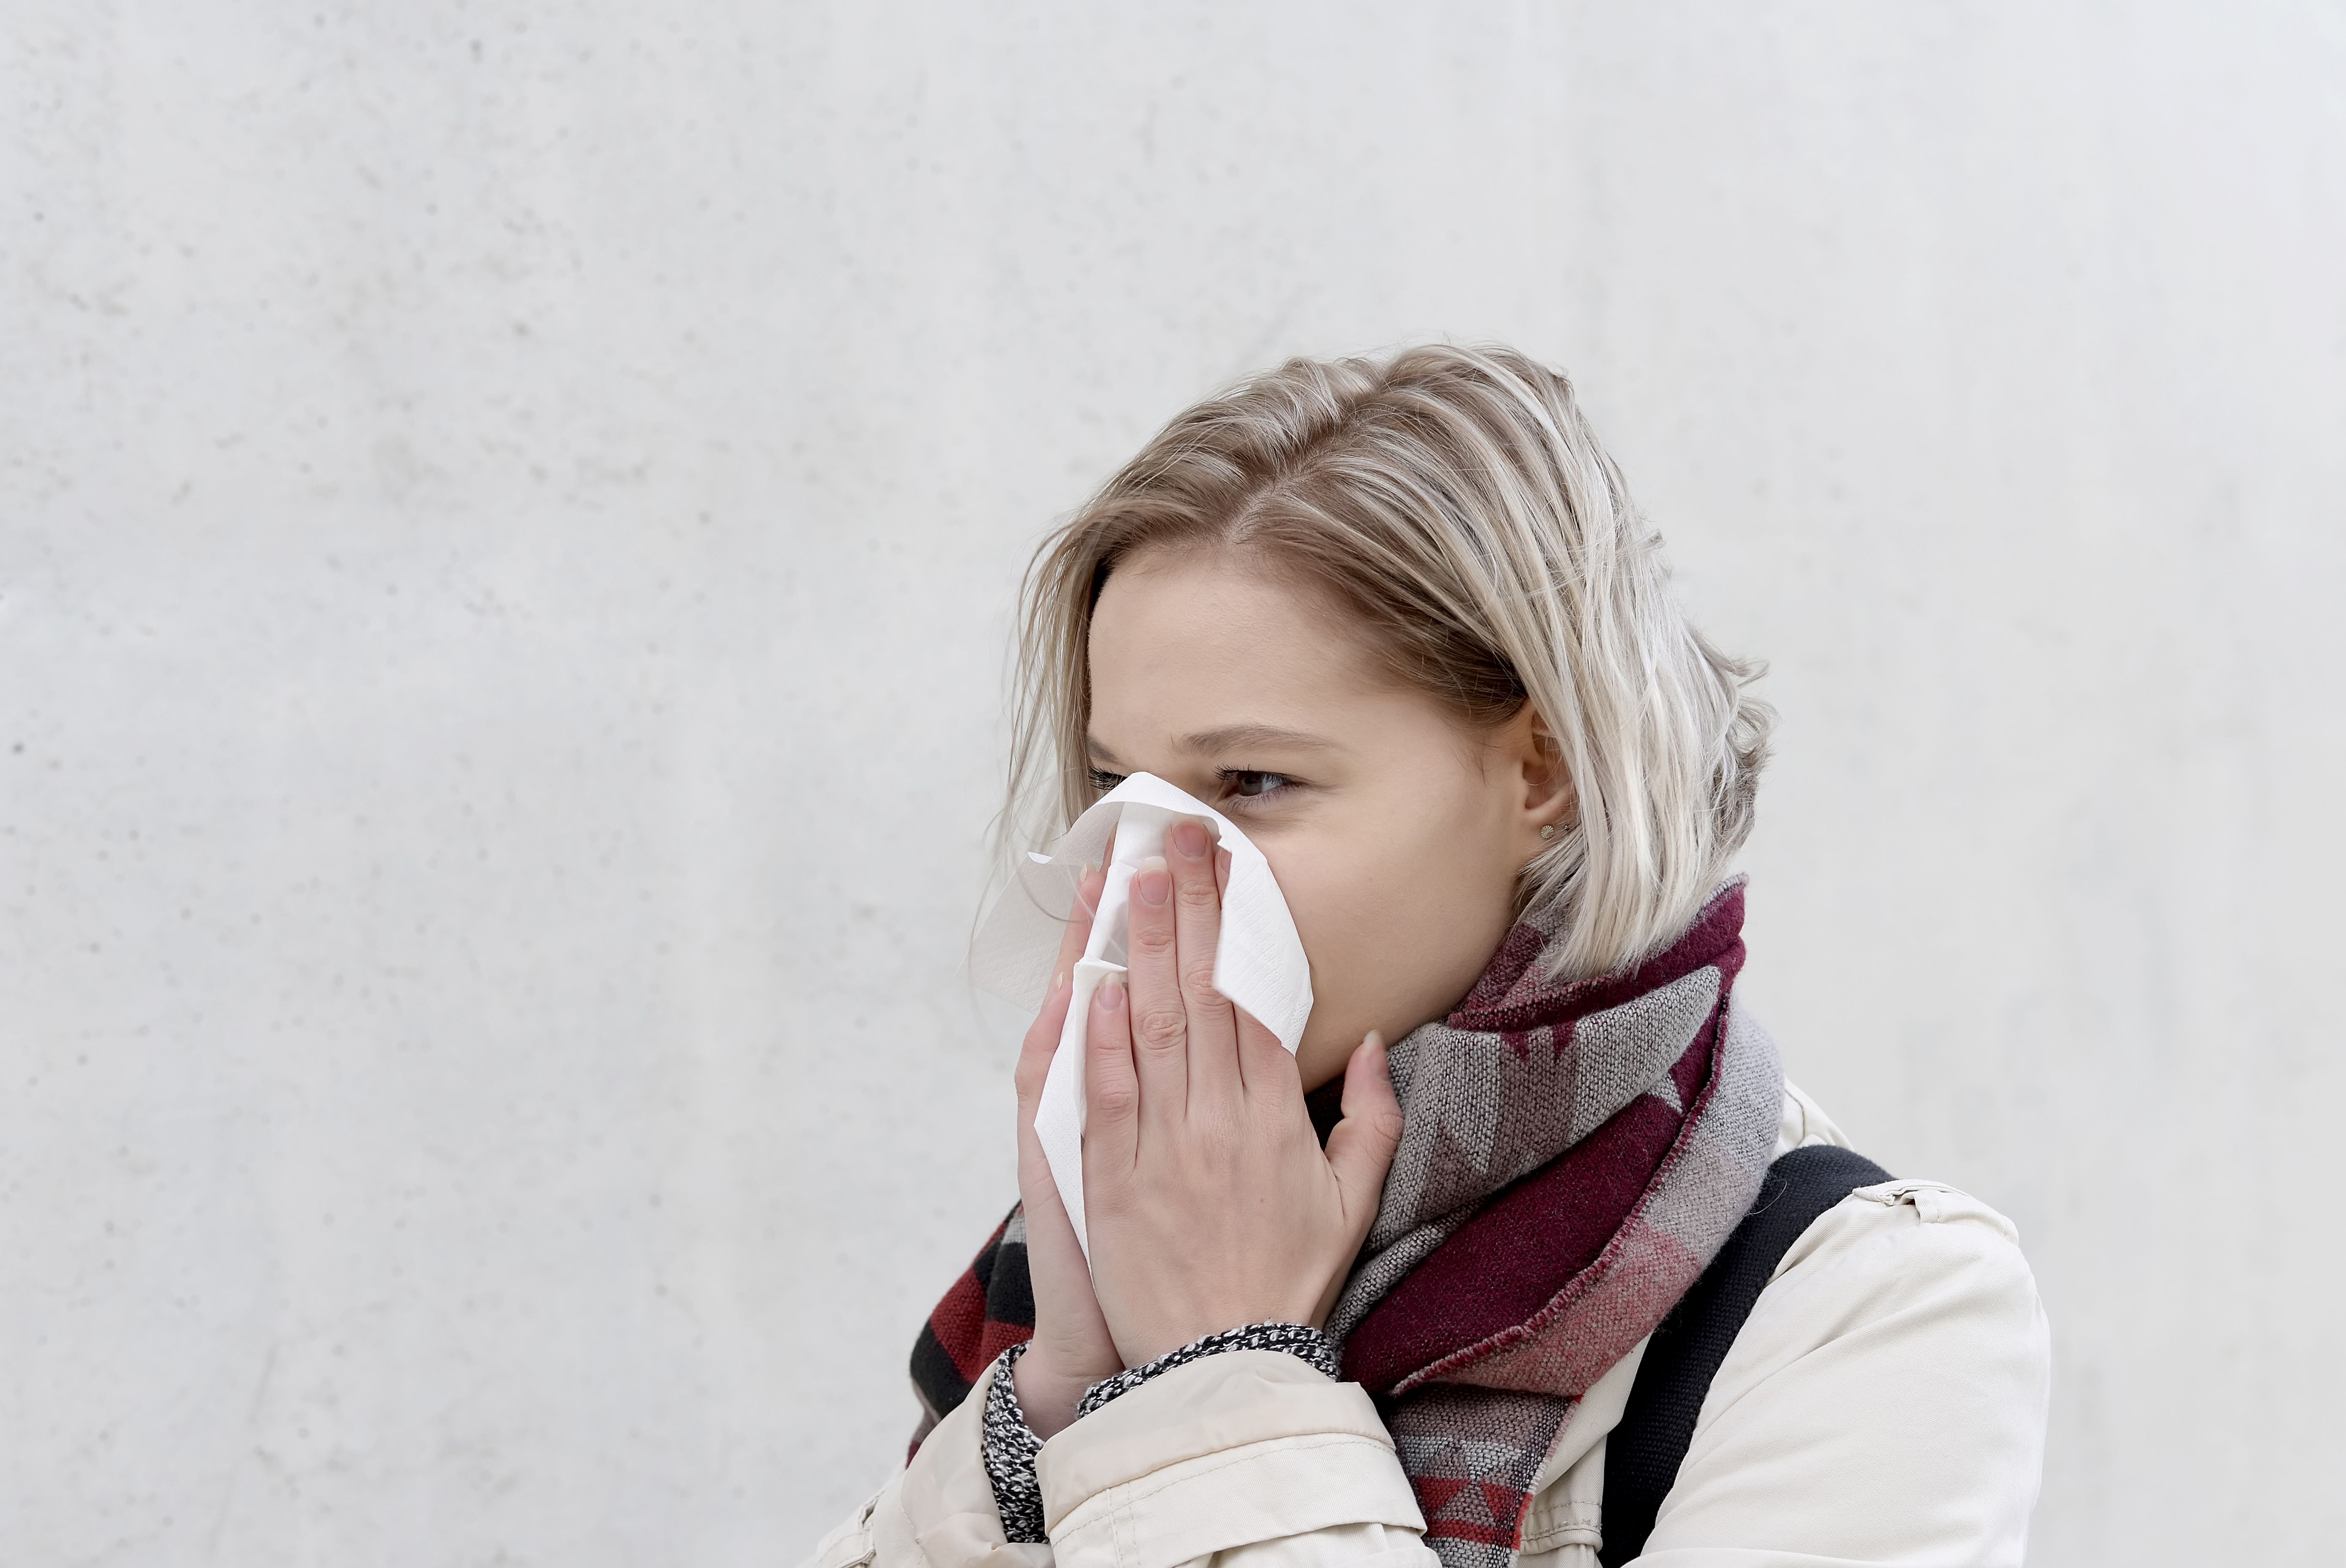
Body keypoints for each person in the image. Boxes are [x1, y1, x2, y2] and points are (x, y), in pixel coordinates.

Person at [805, 344, 2050, 1568]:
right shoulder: (1107, 1243)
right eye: (1115, 782)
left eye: (1255, 781)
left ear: (1542, 769)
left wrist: (1221, 1384)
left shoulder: (1869, 1309)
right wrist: (1065, 1405)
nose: (1149, 869)